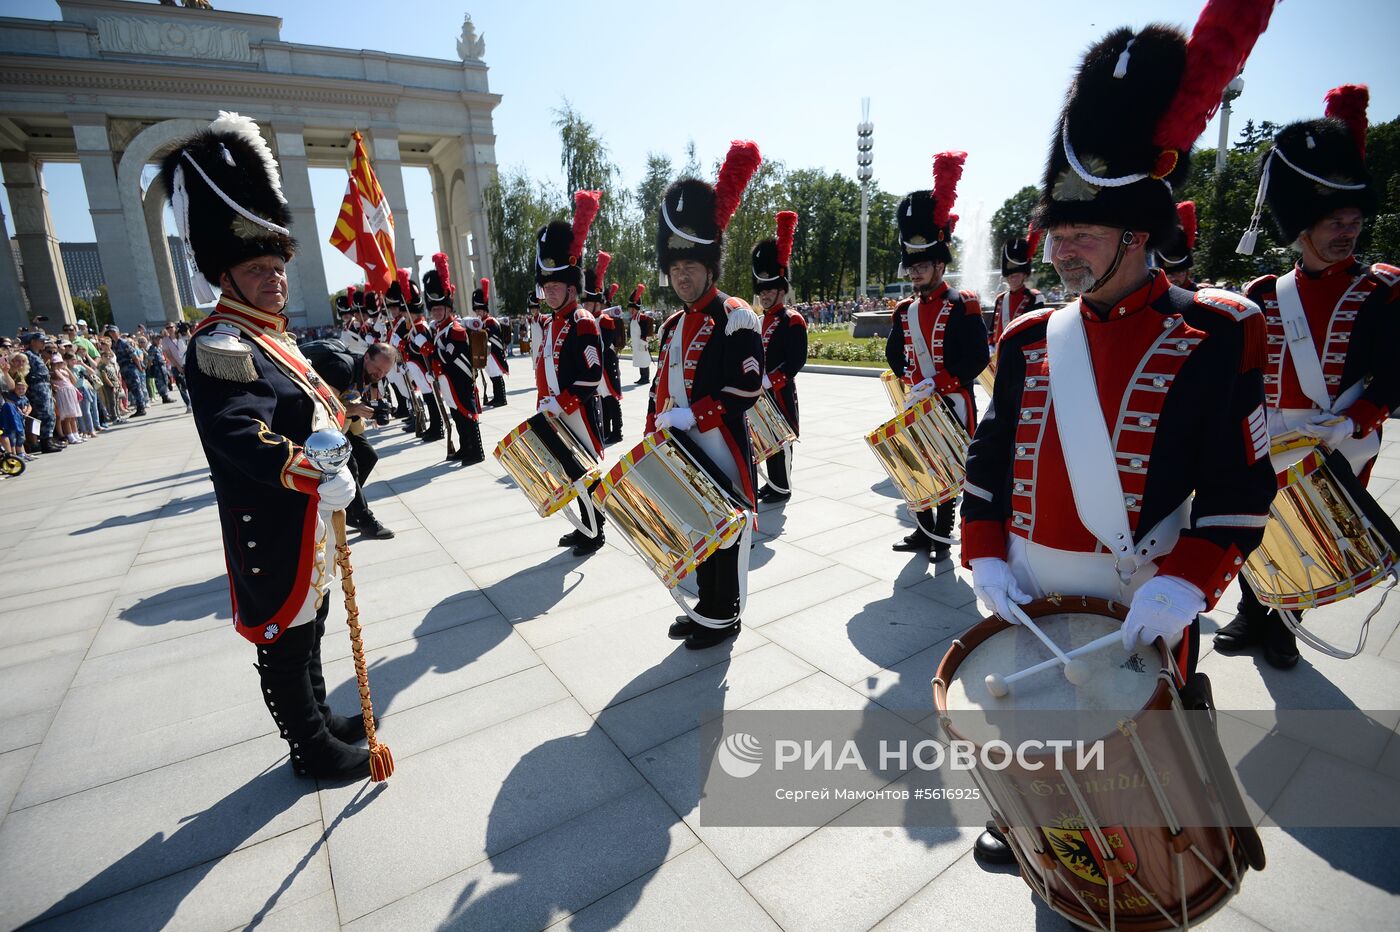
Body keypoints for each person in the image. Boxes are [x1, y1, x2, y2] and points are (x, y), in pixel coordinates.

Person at [960, 12, 1276, 865]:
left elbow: (1242, 492)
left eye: (1081, 235)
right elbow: (988, 463)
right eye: (1056, 234)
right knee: (1034, 754)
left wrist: (1187, 586)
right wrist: (983, 550)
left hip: (1138, 603)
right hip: (1027, 589)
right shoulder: (1028, 338)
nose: (1060, 251)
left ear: (1139, 233)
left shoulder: (1218, 334)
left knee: (1132, 800)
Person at [160, 111, 370, 781]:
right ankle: (309, 746)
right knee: (284, 633)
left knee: (313, 617)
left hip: (307, 514)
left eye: (278, 265)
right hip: (274, 515)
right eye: (257, 267)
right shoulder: (221, 342)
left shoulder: (268, 338)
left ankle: (322, 716)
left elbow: (311, 394)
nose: (274, 277)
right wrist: (313, 470)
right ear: (226, 276)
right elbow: (239, 433)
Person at [1221, 83, 1400, 668]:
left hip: (1335, 434)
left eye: (1352, 218)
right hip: (1268, 432)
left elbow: (1396, 373)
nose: (1346, 230)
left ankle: (1285, 625)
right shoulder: (1262, 294)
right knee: (1254, 527)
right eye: (1332, 219)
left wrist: (1355, 419)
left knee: (1312, 530)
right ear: (1300, 227)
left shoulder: (1380, 292)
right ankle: (1252, 612)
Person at [646, 140, 765, 650]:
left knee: (724, 530)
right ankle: (706, 609)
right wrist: (655, 428)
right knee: (698, 526)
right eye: (675, 269)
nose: (682, 275)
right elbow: (661, 384)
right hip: (682, 441)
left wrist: (694, 416)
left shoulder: (734, 314)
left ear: (710, 266)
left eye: (690, 267)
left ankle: (725, 614)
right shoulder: (674, 322)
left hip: (719, 440)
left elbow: (748, 385)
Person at [885, 151, 989, 562]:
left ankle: (942, 538)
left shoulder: (962, 303)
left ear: (940, 263)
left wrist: (939, 383)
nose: (915, 273)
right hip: (919, 397)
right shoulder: (904, 310)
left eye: (922, 265)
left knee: (946, 468)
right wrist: (912, 379)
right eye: (911, 266)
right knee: (919, 465)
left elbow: (976, 356)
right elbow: (895, 354)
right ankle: (922, 530)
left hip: (952, 400)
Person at [534, 190, 609, 557]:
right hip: (556, 409)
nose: (549, 293)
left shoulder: (582, 321)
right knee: (570, 472)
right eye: (546, 287)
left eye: (555, 287)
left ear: (572, 288)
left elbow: (591, 375)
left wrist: (562, 403)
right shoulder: (551, 323)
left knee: (587, 472)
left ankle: (596, 530)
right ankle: (584, 527)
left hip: (577, 409)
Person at [302, 336, 399, 539]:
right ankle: (364, 520)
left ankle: (350, 508)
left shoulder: (364, 373)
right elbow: (322, 406)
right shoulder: (342, 369)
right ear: (366, 357)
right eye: (378, 368)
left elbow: (349, 401)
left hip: (341, 422)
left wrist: (372, 410)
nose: (379, 374)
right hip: (316, 424)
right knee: (350, 464)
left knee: (368, 455)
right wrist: (354, 409)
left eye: (385, 371)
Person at [751, 210, 807, 502]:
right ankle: (773, 483)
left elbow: (796, 361)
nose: (764, 295)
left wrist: (770, 380)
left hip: (780, 390)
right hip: (762, 391)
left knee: (781, 439)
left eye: (770, 290)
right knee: (766, 437)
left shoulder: (792, 319)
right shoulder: (761, 320)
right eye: (762, 290)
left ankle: (782, 486)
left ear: (781, 290)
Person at [424, 253, 487, 464]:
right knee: (456, 414)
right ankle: (465, 446)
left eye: (439, 308)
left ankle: (476, 451)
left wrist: (431, 351)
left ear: (449, 309)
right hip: (448, 380)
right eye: (433, 309)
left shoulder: (456, 330)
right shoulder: (440, 329)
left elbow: (450, 356)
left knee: (467, 414)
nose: (435, 312)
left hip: (459, 379)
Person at [387, 272, 444, 443]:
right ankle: (434, 427)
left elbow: (425, 350)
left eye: (407, 313)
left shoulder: (420, 327)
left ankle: (437, 427)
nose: (404, 316)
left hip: (424, 368)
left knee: (432, 401)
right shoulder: (413, 327)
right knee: (428, 398)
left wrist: (407, 346)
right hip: (416, 369)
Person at [582, 253, 624, 445]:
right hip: (596, 367)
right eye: (584, 302)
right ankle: (605, 430)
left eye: (589, 303)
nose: (585, 306)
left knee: (611, 400)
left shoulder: (604, 321)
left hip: (606, 366)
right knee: (601, 399)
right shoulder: (588, 320)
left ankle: (617, 431)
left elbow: (604, 344)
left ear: (597, 303)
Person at [989, 229, 1045, 344]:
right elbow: (992, 329)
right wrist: (991, 345)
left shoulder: (1034, 298)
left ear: (1024, 275)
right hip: (999, 353)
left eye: (1016, 275)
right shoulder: (1000, 299)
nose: (1012, 279)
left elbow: (1038, 330)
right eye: (1010, 276)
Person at [470, 278, 510, 408]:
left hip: (494, 352)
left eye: (480, 311)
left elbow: (490, 334)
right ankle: (497, 397)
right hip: (488, 352)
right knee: (493, 376)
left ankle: (501, 398)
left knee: (496, 375)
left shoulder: (491, 321)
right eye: (476, 311)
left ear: (485, 310)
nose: (478, 313)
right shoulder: (482, 322)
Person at [21, 332, 62, 453]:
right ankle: (44, 442)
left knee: (50, 414)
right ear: (33, 341)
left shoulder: (37, 355)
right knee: (44, 415)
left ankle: (48, 439)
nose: (44, 343)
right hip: (37, 388)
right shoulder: (28, 355)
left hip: (44, 385)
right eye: (41, 341)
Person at [1156, 201, 1199, 290]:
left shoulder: (1198, 294)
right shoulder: (1155, 296)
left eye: (1179, 272)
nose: (1174, 278)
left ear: (1188, 273)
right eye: (1169, 274)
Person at [108, 325, 147, 417]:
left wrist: (139, 368)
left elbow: (134, 356)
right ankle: (140, 407)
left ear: (118, 332)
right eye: (110, 332)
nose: (112, 334)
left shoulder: (124, 342)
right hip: (123, 369)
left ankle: (141, 408)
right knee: (132, 388)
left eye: (113, 332)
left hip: (130, 368)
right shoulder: (114, 344)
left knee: (136, 387)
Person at [627, 284, 652, 384]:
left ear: (636, 309)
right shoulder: (633, 318)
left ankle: (646, 378)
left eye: (631, 309)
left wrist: (643, 341)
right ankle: (642, 377)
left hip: (642, 342)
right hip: (637, 342)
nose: (630, 311)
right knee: (639, 359)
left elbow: (644, 330)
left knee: (644, 359)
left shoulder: (641, 317)